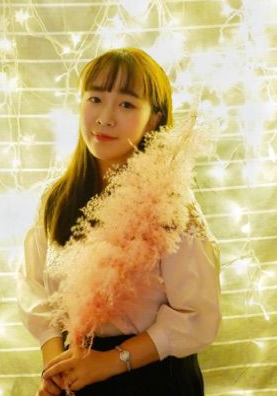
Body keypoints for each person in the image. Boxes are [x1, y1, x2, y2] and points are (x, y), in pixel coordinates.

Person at [17, 47, 222, 396]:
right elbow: (33, 286)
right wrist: (56, 368)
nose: (104, 118)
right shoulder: (57, 197)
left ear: (153, 119)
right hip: (77, 373)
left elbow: (197, 315)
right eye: (95, 99)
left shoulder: (170, 205)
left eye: (126, 104)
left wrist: (112, 361)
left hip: (153, 377)